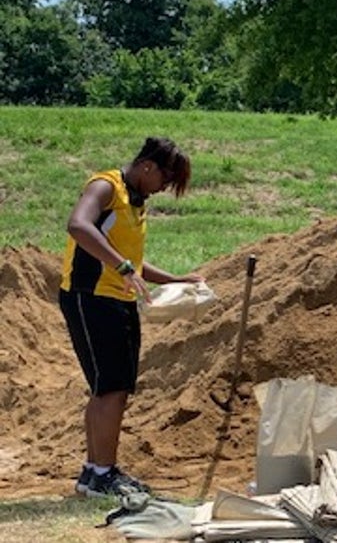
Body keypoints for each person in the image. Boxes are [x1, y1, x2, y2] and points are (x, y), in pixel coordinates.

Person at [59, 137, 200, 497]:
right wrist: (119, 265)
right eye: (166, 181)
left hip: (116, 299)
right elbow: (78, 225)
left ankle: (94, 472)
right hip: (91, 298)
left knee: (108, 389)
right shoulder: (106, 186)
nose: (164, 189)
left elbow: (131, 263)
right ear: (148, 166)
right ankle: (104, 474)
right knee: (111, 390)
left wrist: (174, 279)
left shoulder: (136, 203)